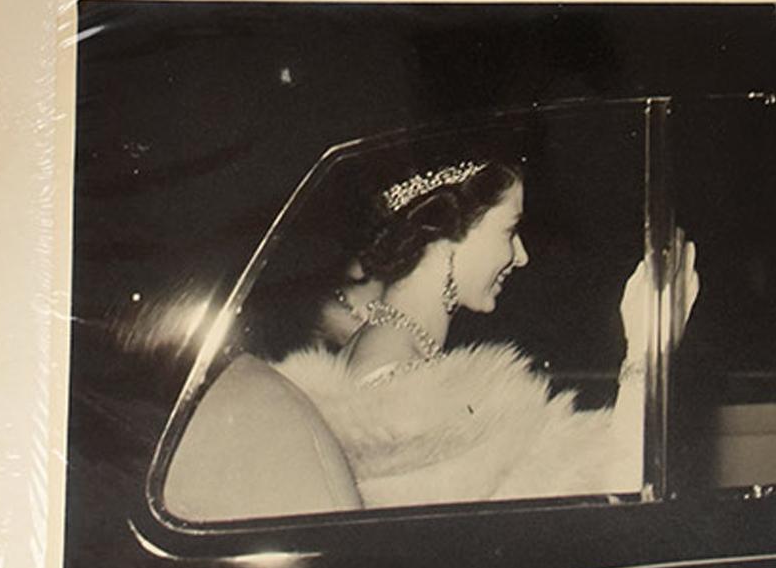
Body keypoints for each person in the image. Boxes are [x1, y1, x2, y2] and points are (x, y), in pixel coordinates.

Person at [271, 157, 699, 509]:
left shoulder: (379, 347)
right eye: (510, 231)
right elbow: (610, 502)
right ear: (446, 234)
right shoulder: (402, 385)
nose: (522, 256)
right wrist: (646, 349)